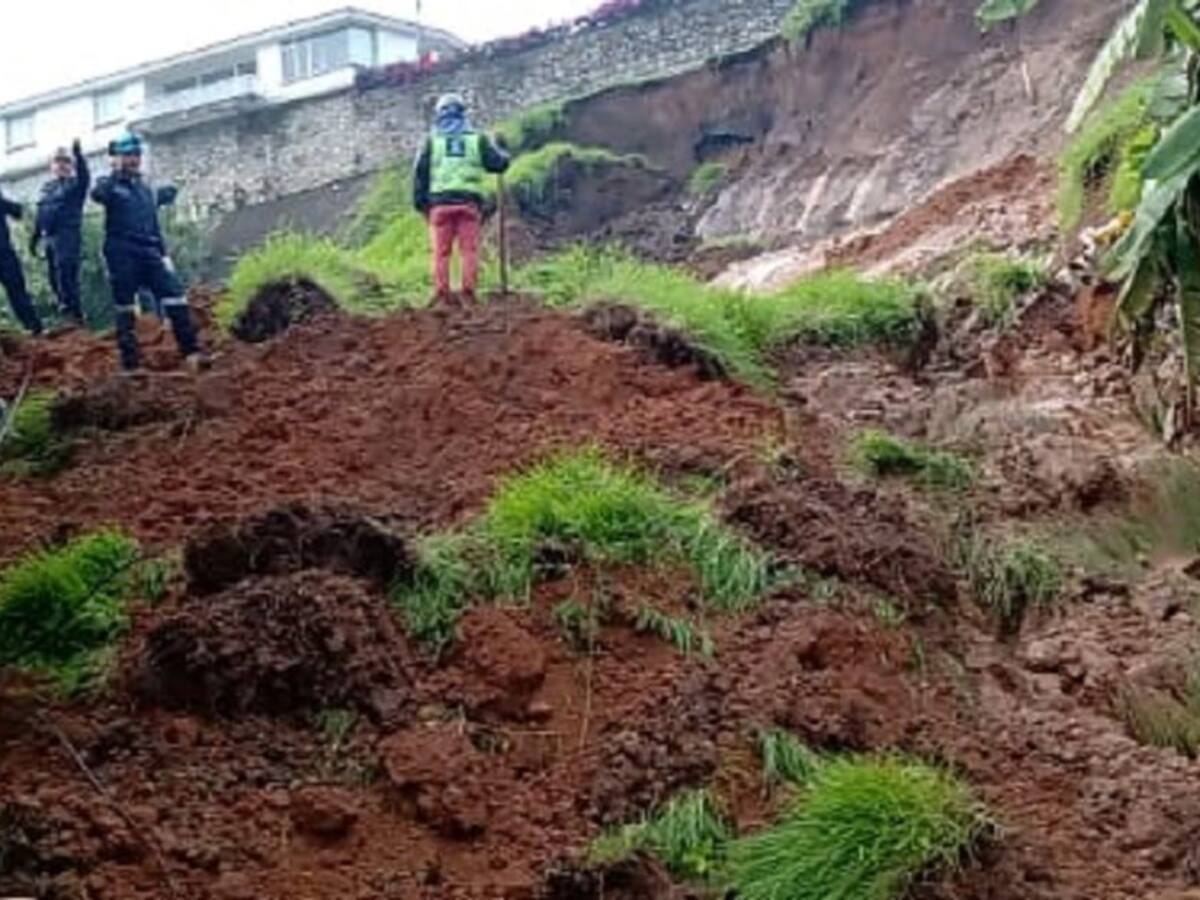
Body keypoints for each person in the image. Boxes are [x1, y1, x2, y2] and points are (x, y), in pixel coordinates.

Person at [90, 132, 205, 373]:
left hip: (149, 252)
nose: (133, 160)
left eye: (136, 155)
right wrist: (114, 172)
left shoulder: (145, 190)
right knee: (125, 307)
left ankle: (191, 353)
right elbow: (97, 194)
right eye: (127, 155)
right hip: (121, 253)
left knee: (175, 296)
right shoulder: (110, 185)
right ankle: (131, 366)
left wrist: (164, 255)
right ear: (118, 158)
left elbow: (153, 225)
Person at [413, 93, 509, 305]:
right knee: (469, 250)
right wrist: (503, 150)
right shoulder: (477, 140)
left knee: (441, 252)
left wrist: (421, 205)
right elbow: (498, 164)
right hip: (469, 204)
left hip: (439, 205)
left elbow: (419, 174)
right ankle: (468, 293)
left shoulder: (432, 141)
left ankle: (441, 294)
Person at [32, 140, 90, 324]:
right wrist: (35, 237)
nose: (61, 165)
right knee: (53, 277)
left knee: (66, 272)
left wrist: (79, 156)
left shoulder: (75, 186)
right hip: (49, 236)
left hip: (67, 235)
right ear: (52, 165)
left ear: (71, 165)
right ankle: (66, 312)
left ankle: (75, 313)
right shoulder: (47, 188)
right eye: (58, 161)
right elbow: (41, 213)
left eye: (66, 161)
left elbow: (84, 178)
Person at [0, 189, 43, 336]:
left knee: (17, 291)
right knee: (17, 291)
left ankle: (34, 328)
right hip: (5, 252)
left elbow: (17, 211)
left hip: (4, 253)